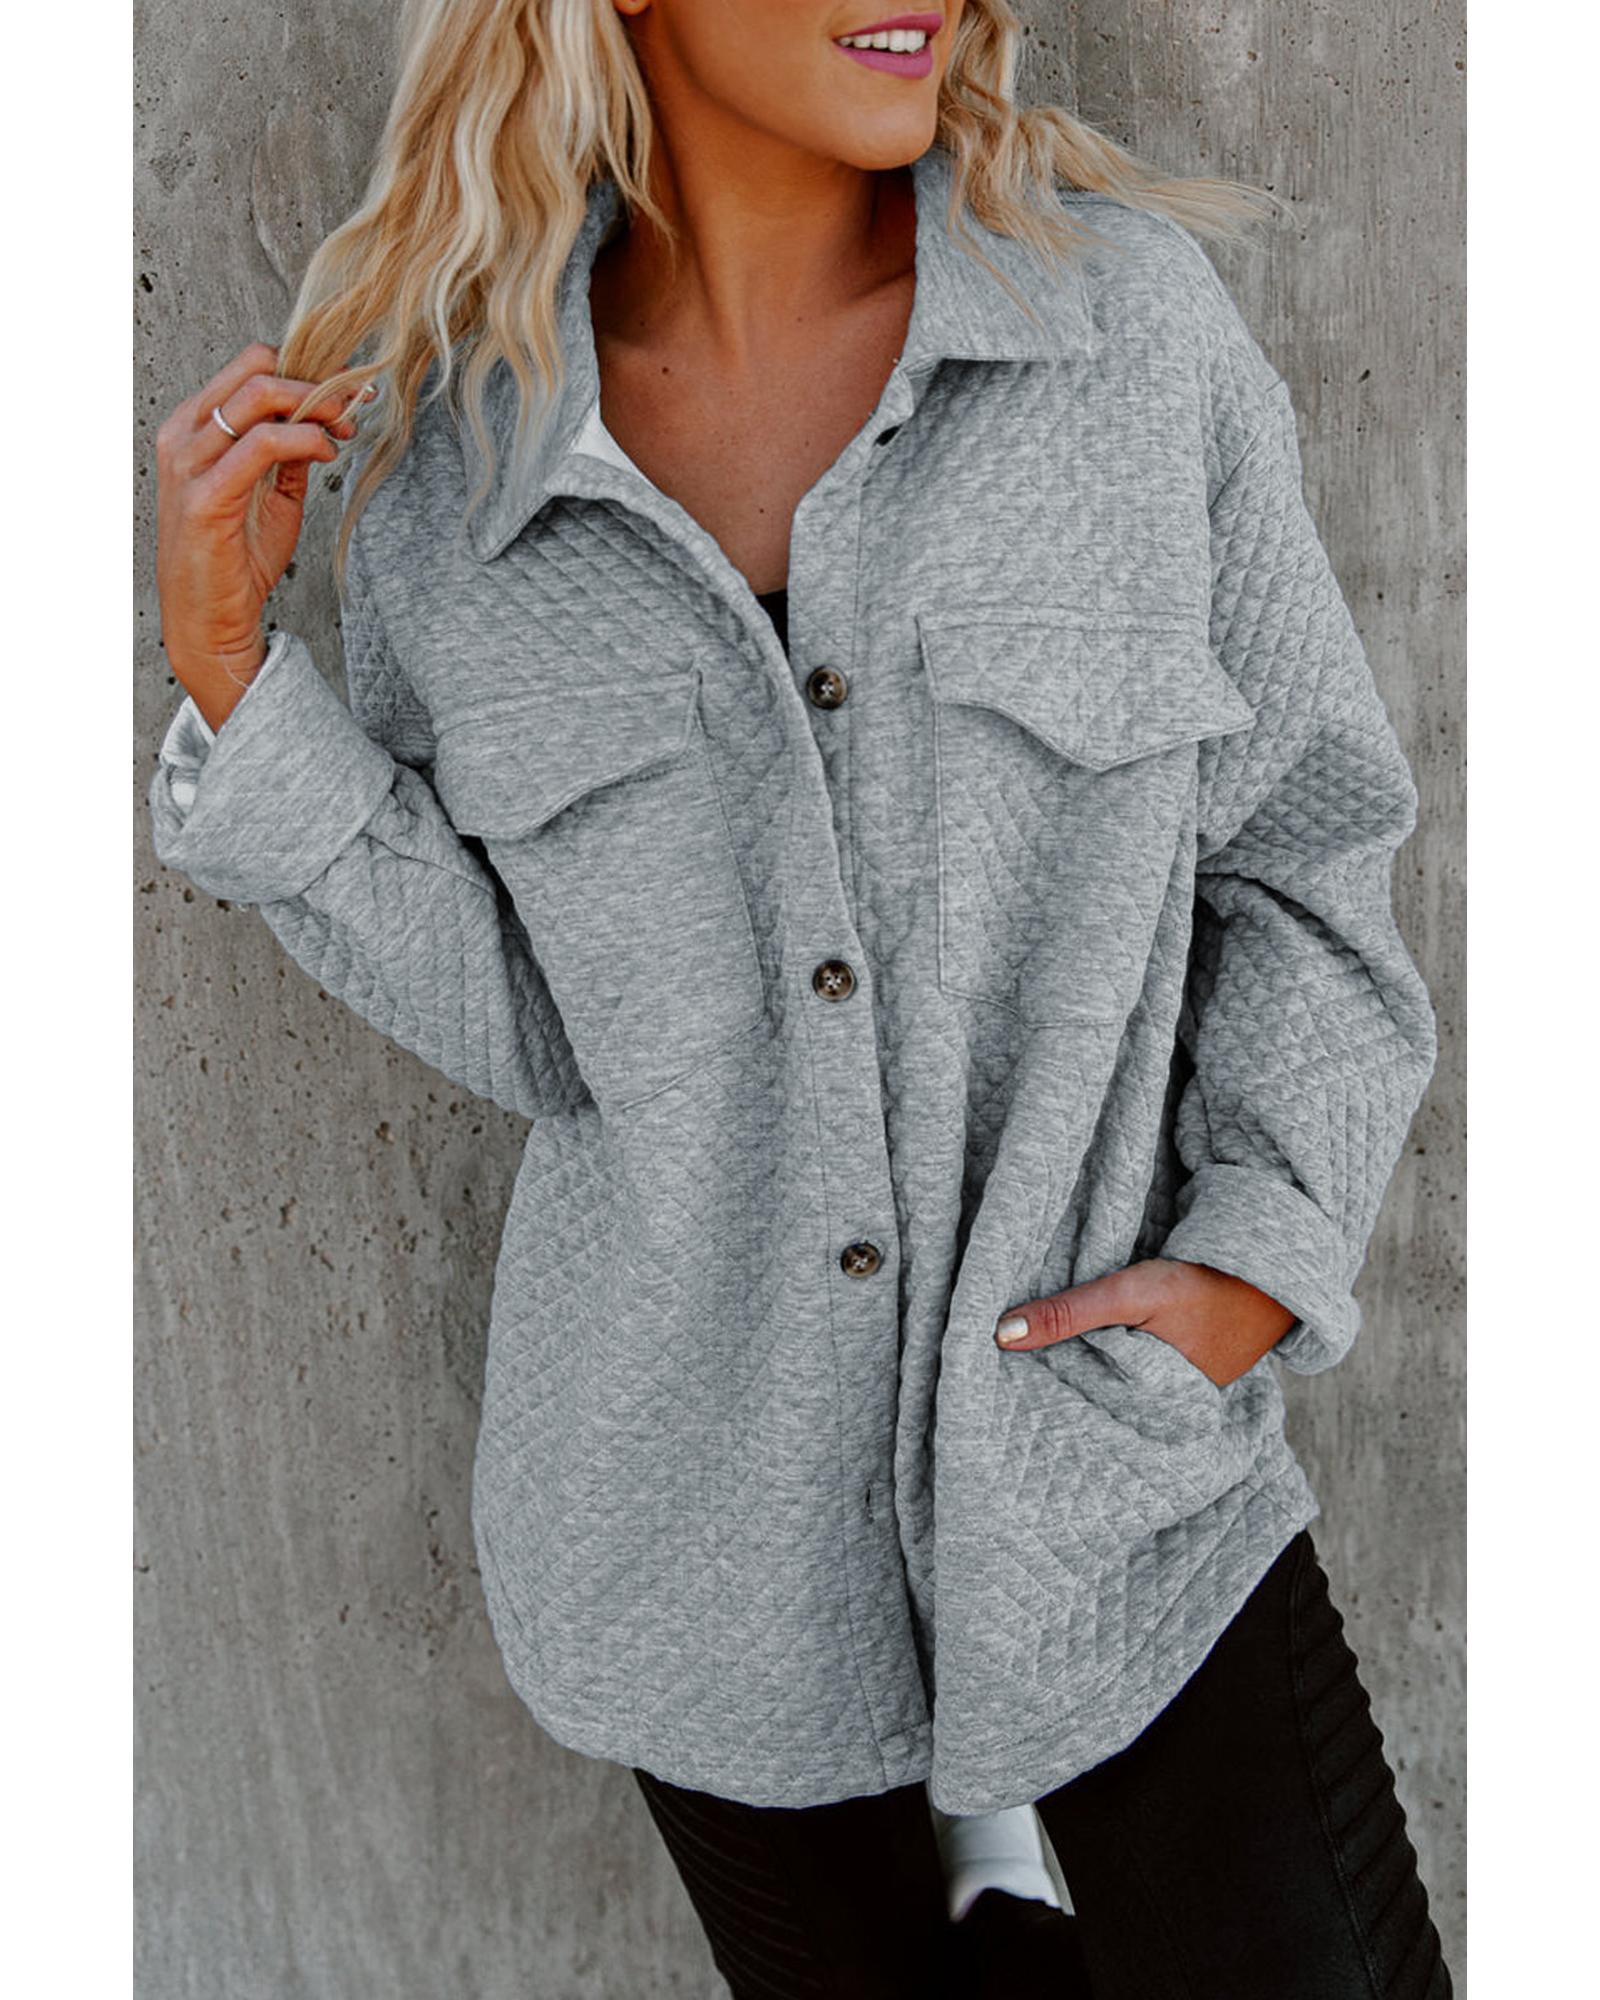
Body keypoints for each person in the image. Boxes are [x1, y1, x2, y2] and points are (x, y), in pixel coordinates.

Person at [146, 2, 1454, 1993]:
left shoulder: (1121, 332)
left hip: (1114, 1500)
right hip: (695, 1555)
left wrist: (1250, 1266)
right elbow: (542, 1027)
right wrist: (241, 685)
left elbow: (1305, 848)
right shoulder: (450, 472)